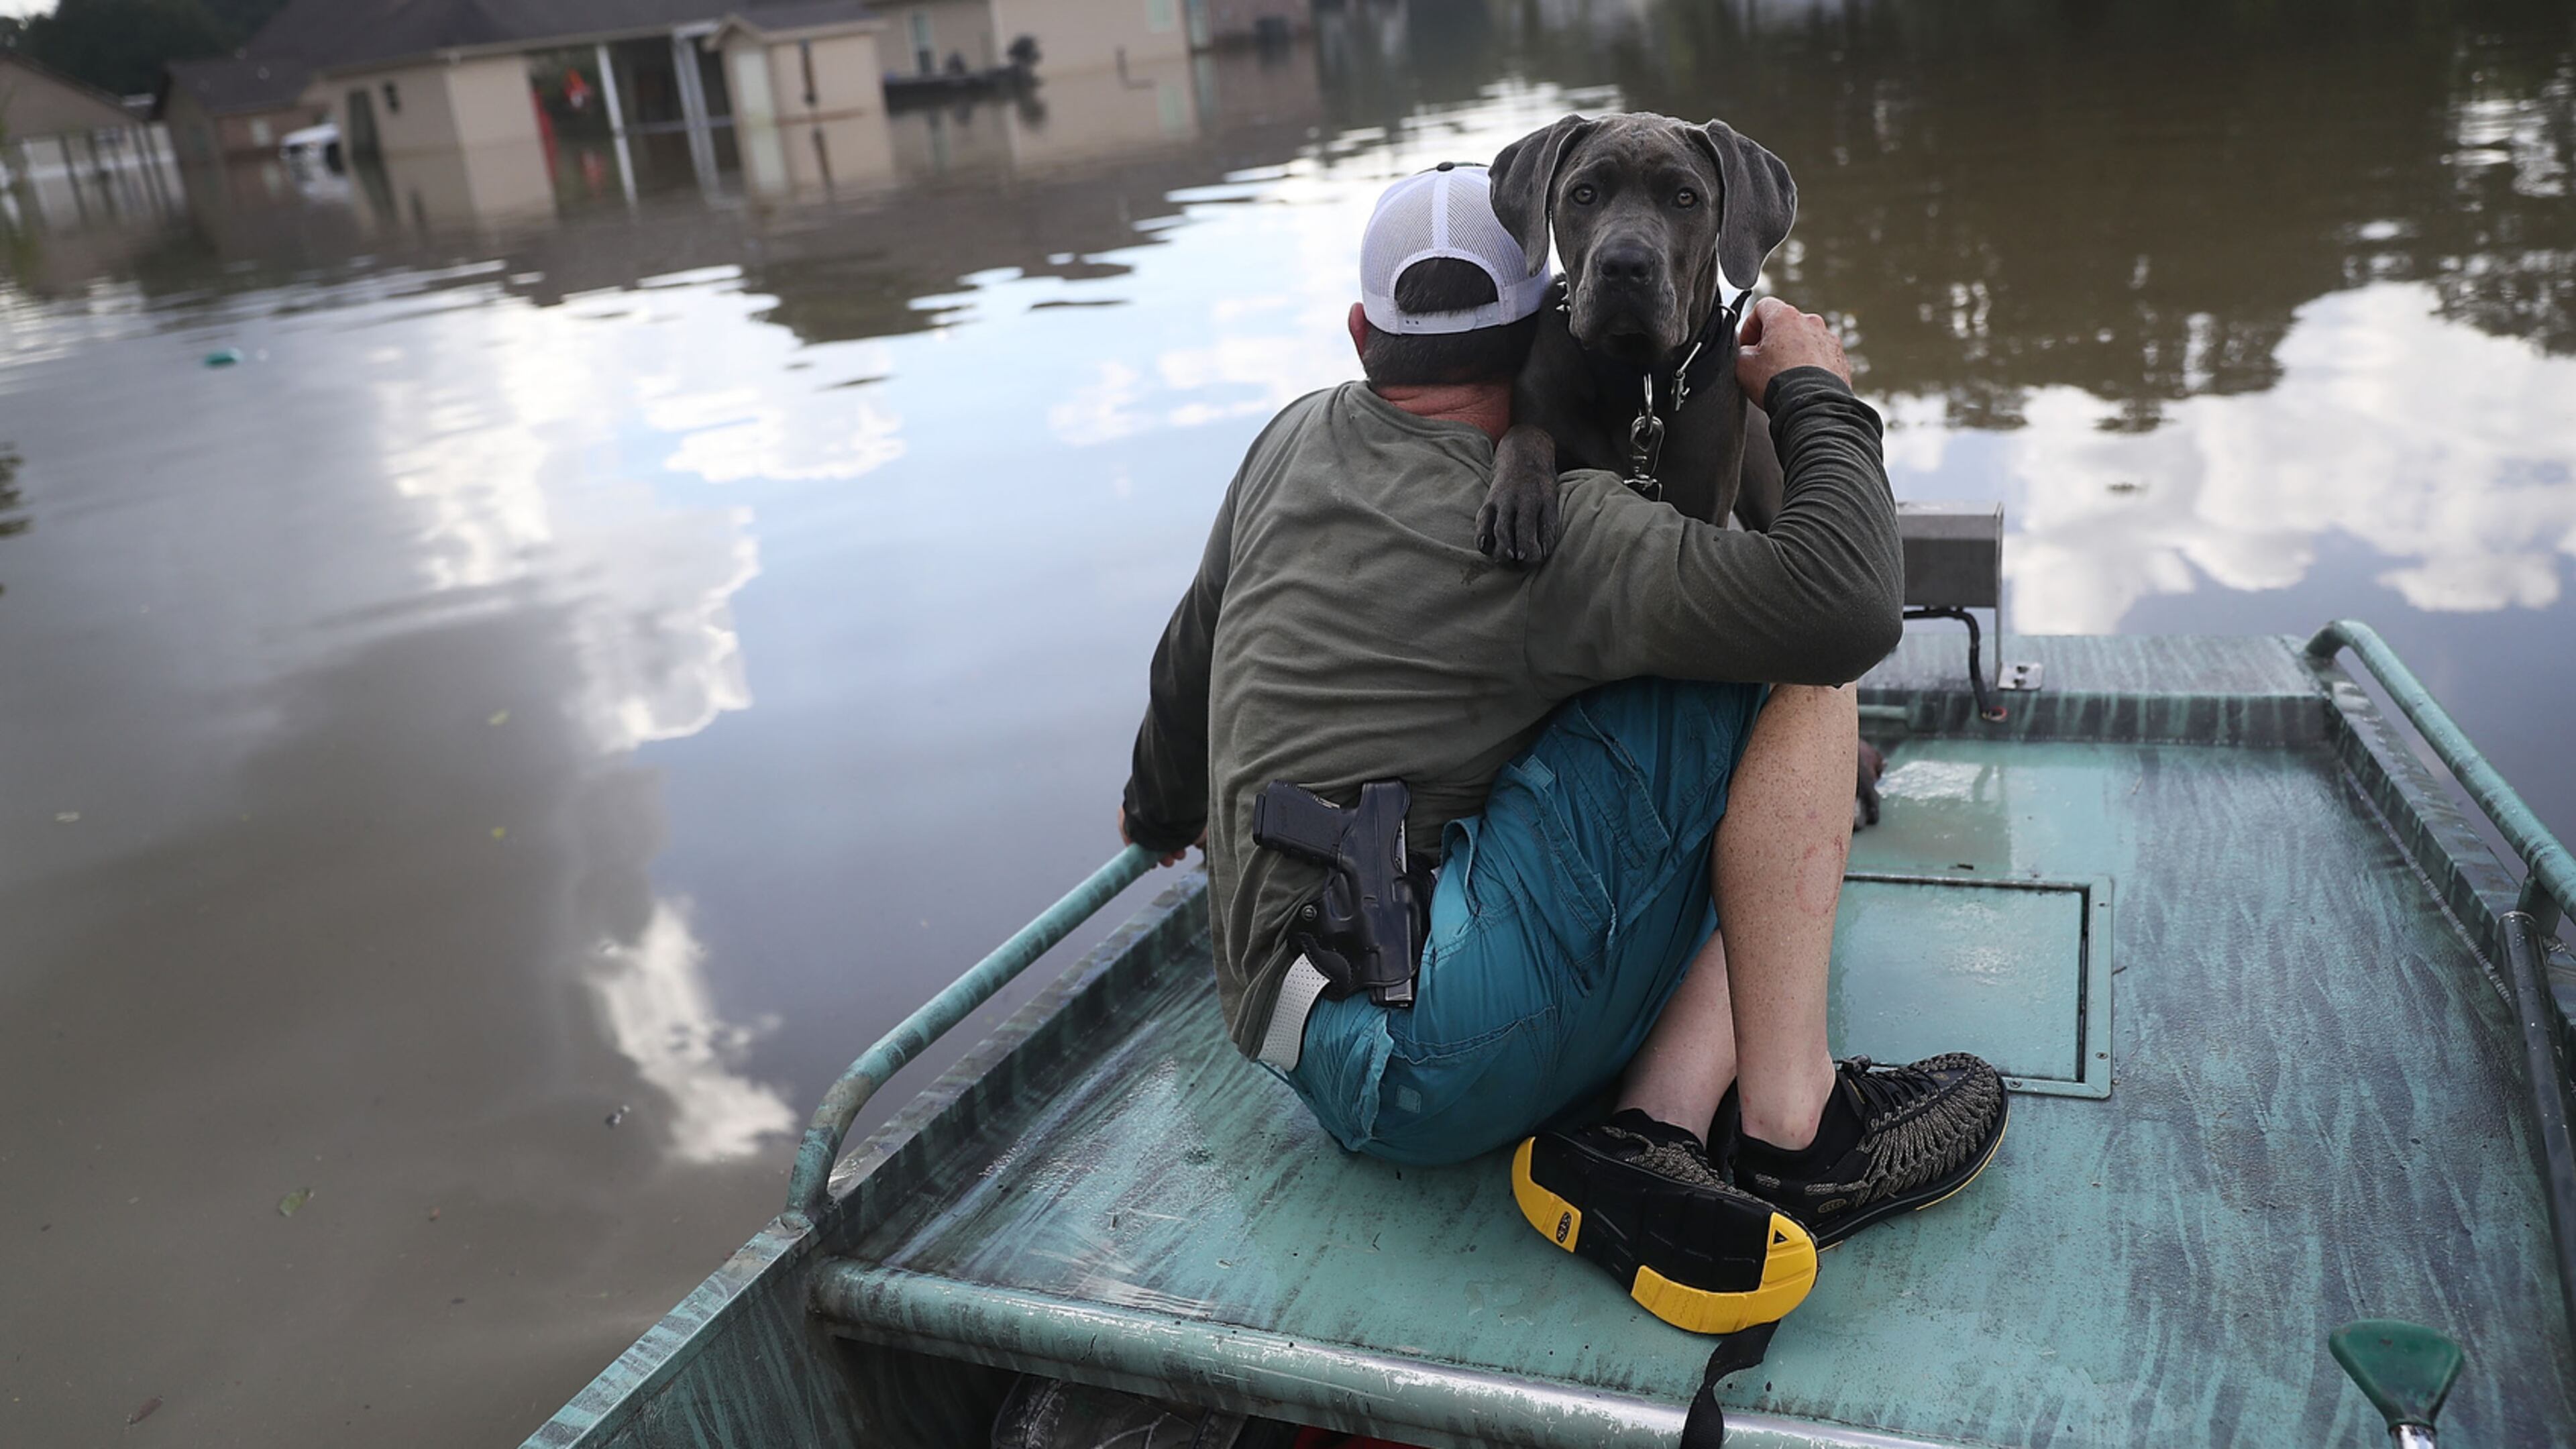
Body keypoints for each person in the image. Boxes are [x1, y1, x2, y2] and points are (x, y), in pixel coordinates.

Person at [1117, 164, 2006, 1334]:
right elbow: (1846, 604)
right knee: (1788, 660)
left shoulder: (1289, 438)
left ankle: (1649, 1117)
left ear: (1358, 331)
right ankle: (1788, 1130)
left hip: (1288, 1042)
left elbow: (1188, 666)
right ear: (1546, 320)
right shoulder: (1555, 528)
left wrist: (1158, 813)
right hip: (1439, 1055)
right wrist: (1814, 393)